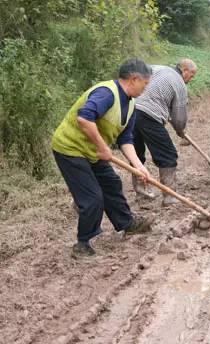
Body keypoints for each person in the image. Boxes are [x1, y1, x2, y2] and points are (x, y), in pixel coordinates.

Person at [51, 58, 154, 257]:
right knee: (92, 197)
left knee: (112, 183)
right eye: (145, 84)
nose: (145, 89)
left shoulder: (131, 105)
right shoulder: (107, 93)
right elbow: (84, 118)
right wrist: (103, 147)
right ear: (134, 79)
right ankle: (83, 244)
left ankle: (127, 224)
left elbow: (126, 138)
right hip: (70, 148)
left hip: (93, 151)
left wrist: (139, 165)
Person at [132, 59, 197, 206]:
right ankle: (170, 196)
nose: (190, 80)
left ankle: (142, 194)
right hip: (149, 115)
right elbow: (179, 118)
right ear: (185, 70)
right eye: (191, 76)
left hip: (130, 110)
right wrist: (180, 130)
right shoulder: (180, 84)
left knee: (136, 154)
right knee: (167, 155)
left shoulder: (156, 67)